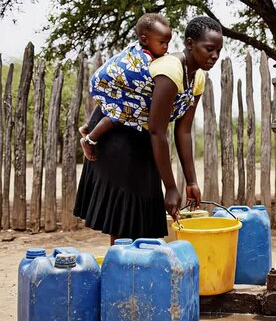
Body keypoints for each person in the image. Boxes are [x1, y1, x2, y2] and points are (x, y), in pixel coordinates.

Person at [74, 16, 223, 244]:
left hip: (142, 139)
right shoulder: (170, 70)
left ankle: (132, 275)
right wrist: (171, 187)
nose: (215, 56)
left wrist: (191, 182)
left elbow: (183, 131)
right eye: (209, 49)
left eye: (218, 50)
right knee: (126, 221)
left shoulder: (198, 77)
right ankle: (121, 275)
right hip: (119, 136)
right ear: (190, 44)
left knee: (143, 223)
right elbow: (157, 131)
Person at [79, 13, 172, 161]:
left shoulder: (140, 47)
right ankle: (90, 139)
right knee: (118, 116)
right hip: (112, 82)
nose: (166, 46)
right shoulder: (142, 59)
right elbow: (145, 80)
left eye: (168, 42)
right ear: (144, 40)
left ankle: (87, 126)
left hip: (112, 85)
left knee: (109, 104)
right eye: (162, 42)